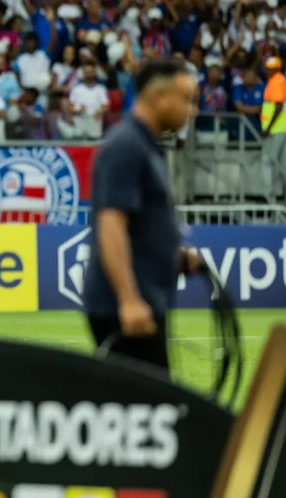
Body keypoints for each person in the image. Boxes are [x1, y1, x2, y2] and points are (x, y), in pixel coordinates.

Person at [83, 59, 203, 373]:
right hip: (126, 307)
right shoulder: (127, 146)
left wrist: (173, 256)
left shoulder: (147, 146)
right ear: (159, 97)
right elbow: (111, 223)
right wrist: (129, 299)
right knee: (150, 409)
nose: (192, 111)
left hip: (145, 299)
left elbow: (139, 226)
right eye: (187, 99)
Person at [261, 56, 286, 201]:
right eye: (267, 68)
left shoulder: (277, 81)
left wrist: (268, 128)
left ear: (277, 69)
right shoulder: (281, 80)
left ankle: (269, 196)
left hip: (277, 129)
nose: (268, 71)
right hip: (285, 127)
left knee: (268, 160)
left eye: (271, 69)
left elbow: (278, 106)